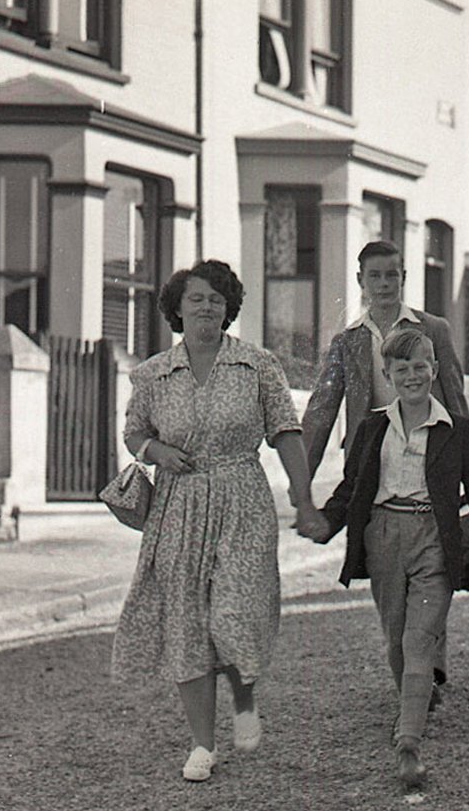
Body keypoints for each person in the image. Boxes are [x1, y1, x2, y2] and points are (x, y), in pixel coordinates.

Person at [111, 260, 327, 783]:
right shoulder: (153, 373)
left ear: (230, 307)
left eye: (215, 298)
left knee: (235, 607)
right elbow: (133, 432)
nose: (206, 306)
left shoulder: (258, 366)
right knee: (187, 622)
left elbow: (285, 433)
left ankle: (244, 695)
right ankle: (202, 745)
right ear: (176, 310)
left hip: (242, 499)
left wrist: (304, 500)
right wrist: (157, 449)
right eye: (196, 298)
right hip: (179, 505)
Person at [300, 328, 469, 789]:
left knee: (419, 640)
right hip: (383, 534)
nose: (412, 376)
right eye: (402, 369)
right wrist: (324, 524)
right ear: (389, 377)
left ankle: (408, 741)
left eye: (421, 367)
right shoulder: (373, 427)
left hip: (435, 536)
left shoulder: (458, 430)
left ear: (434, 370)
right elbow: (351, 487)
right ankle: (414, 696)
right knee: (396, 636)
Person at [301, 239, 469, 696]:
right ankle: (412, 662)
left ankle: (428, 665)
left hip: (430, 466)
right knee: (389, 574)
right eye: (374, 276)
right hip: (375, 472)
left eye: (392, 274)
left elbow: (455, 398)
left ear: (403, 278)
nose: (384, 284)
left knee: (434, 566)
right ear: (360, 282)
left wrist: (466, 471)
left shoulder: (432, 329)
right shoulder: (348, 342)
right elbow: (320, 413)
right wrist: (302, 487)